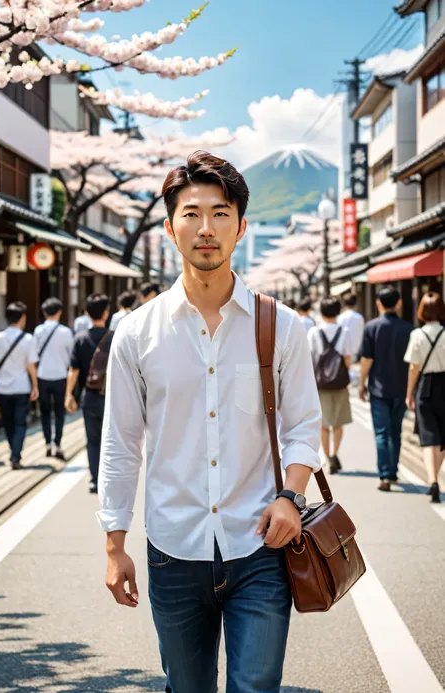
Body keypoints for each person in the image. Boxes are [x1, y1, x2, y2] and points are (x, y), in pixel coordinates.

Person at [98, 151, 321, 693]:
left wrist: (290, 497)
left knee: (256, 687)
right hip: (173, 549)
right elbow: (121, 443)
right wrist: (114, 545)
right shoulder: (136, 332)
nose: (206, 228)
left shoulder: (281, 327)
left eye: (221, 214)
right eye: (191, 213)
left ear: (241, 227)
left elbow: (303, 425)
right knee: (187, 687)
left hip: (260, 547)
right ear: (170, 227)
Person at [359, 286, 413, 492]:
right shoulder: (408, 329)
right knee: (396, 431)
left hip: (378, 389)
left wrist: (362, 383)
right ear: (398, 303)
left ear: (378, 303)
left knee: (382, 432)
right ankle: (393, 470)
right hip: (401, 387)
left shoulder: (371, 327)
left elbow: (366, 359)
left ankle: (384, 475)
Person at [65, 293, 113, 493]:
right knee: (111, 441)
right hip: (112, 397)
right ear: (106, 313)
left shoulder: (80, 338)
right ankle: (110, 480)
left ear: (86, 313)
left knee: (93, 441)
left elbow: (73, 370)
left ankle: (95, 480)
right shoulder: (115, 337)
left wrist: (69, 394)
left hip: (90, 397)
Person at [0, 301, 39, 469]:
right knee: (20, 422)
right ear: (22, 318)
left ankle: (14, 450)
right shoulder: (28, 339)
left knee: (7, 421)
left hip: (2, 387)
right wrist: (35, 386)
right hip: (21, 386)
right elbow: (31, 365)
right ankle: (15, 454)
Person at [404, 292, 445, 503]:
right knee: (442, 438)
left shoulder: (417, 335)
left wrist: (409, 393)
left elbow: (413, 368)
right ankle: (435, 477)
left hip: (425, 387)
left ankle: (432, 480)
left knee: (429, 437)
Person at [308, 297, 352, 474]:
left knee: (323, 424)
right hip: (340, 383)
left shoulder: (313, 332)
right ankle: (335, 453)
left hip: (320, 384)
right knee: (339, 422)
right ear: (338, 311)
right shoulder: (345, 331)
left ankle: (326, 458)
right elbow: (348, 359)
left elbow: (310, 359)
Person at [34, 298, 74, 460]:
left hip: (42, 375)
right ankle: (57, 442)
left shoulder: (38, 331)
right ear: (59, 312)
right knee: (59, 412)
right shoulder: (65, 332)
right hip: (60, 375)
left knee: (44, 412)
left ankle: (47, 443)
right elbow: (71, 355)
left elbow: (34, 354)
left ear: (44, 312)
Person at [338, 292, 365, 362]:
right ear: (355, 303)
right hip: (357, 352)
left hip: (342, 352)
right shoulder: (360, 318)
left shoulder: (340, 317)